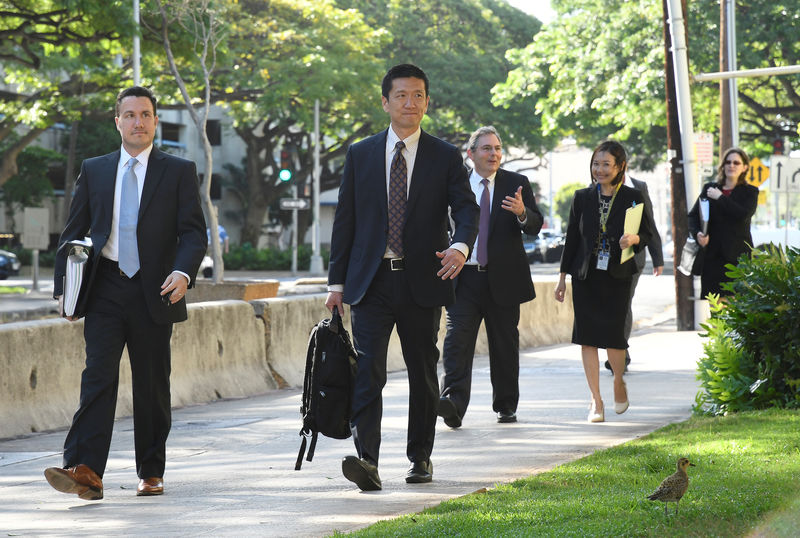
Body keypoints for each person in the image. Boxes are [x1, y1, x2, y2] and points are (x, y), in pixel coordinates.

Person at [45, 86, 207, 500]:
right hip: (106, 288)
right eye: (130, 115)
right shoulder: (95, 169)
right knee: (97, 376)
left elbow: (193, 233)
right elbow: (73, 235)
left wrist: (183, 273)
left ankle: (151, 471)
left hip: (158, 290)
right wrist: (66, 291)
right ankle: (84, 470)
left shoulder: (178, 170)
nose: (139, 122)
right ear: (117, 121)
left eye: (146, 114)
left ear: (156, 121)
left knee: (152, 384)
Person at [325, 64, 479, 491]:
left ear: (427, 102)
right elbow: (346, 222)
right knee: (369, 369)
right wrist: (336, 284)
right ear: (385, 102)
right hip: (370, 283)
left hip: (423, 282)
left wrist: (460, 247)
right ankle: (367, 460)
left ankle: (420, 457)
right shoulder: (360, 153)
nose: (410, 103)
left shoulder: (446, 156)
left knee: (422, 371)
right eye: (401, 95)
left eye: (418, 96)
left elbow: (467, 210)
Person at [438, 126, 543, 428]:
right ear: (471, 154)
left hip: (504, 279)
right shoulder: (455, 184)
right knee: (457, 342)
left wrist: (523, 212)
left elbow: (535, 225)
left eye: (497, 148)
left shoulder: (516, 183)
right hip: (464, 278)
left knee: (504, 346)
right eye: (486, 148)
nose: (493, 154)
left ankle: (506, 405)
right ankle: (453, 404)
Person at [554, 140, 652, 423]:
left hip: (618, 276)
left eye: (606, 164)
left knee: (614, 338)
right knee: (587, 338)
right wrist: (562, 278)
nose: (600, 169)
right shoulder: (581, 197)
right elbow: (571, 239)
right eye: (596, 164)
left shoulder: (633, 196)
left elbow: (647, 234)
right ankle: (596, 401)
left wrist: (634, 239)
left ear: (620, 166)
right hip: (585, 276)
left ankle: (618, 381)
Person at [604, 173, 663, 373]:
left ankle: (621, 354)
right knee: (610, 305)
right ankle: (615, 350)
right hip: (606, 258)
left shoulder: (639, 187)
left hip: (633, 257)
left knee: (623, 303)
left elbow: (649, 223)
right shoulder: (597, 186)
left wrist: (658, 257)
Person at [688, 147, 758, 298]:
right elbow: (693, 216)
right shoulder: (710, 188)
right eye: (728, 162)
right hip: (713, 258)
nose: (731, 165)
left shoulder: (750, 192)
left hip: (738, 259)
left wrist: (721, 198)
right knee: (715, 307)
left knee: (735, 307)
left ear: (744, 167)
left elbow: (743, 215)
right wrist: (698, 233)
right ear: (723, 165)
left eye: (736, 162)